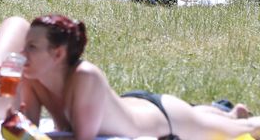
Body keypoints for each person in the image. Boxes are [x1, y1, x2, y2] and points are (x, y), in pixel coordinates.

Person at [17, 14, 260, 138]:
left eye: (32, 47)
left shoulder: (85, 76)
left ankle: (232, 117)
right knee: (208, 118)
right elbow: (28, 130)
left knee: (241, 130)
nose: (21, 53)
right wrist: (13, 118)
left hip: (166, 119)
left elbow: (82, 138)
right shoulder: (31, 75)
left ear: (58, 53)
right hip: (133, 106)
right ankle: (227, 111)